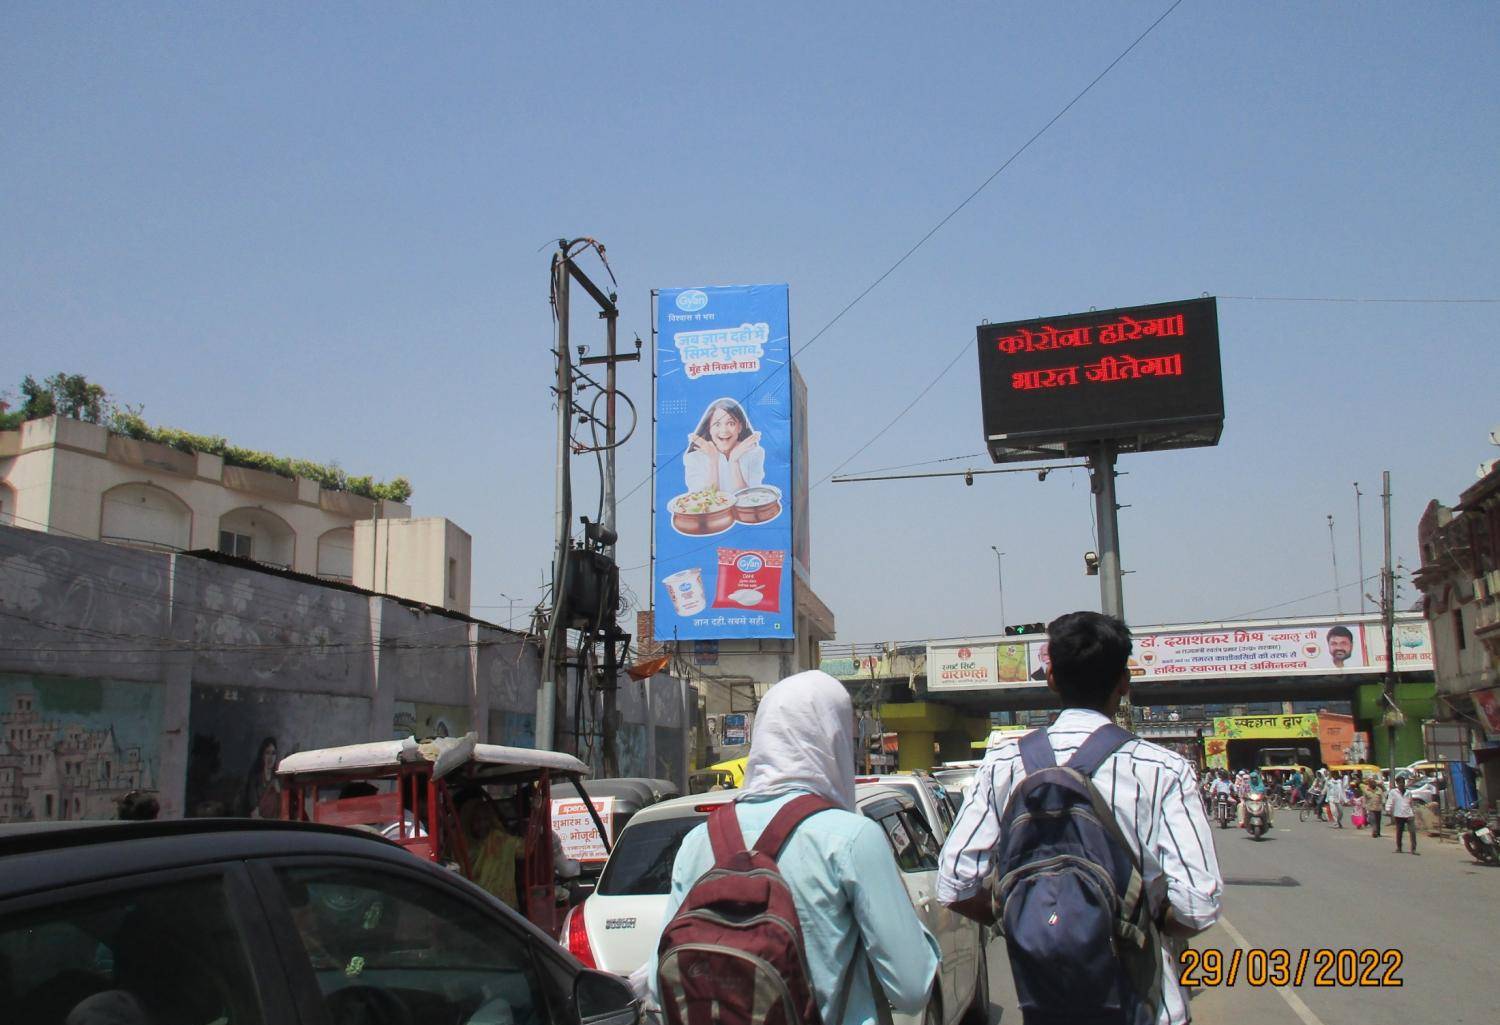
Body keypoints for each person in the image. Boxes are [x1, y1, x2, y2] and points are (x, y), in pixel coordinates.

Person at [938, 612, 1222, 1025]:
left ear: (1051, 678)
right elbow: (1199, 905)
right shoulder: (1162, 769)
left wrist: (1018, 920)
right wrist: (1143, 920)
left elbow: (954, 883)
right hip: (1146, 1007)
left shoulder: (1004, 764)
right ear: (1124, 682)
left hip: (1045, 1004)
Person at [644, 670, 939, 1024]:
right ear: (833, 740)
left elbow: (658, 985)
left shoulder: (698, 840)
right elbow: (912, 989)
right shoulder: (852, 839)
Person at [457, 790, 525, 908]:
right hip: (471, 903)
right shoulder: (457, 844)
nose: (483, 824)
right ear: (468, 821)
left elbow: (525, 850)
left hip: (502, 907)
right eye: (477, 820)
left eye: (485, 819)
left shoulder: (500, 839)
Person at [682, 398, 763, 493]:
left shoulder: (754, 453)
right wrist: (713, 460)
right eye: (717, 424)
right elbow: (706, 503)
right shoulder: (694, 458)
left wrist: (734, 461)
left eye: (731, 423)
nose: (724, 430)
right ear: (709, 429)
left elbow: (749, 499)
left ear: (740, 427)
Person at [242, 736, 281, 819]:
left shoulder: (280, 780)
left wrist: (278, 793)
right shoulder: (255, 780)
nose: (270, 757)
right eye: (267, 753)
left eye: (273, 753)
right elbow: (254, 813)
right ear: (262, 755)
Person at [1385, 776, 1418, 854]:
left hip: (1409, 814)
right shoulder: (1393, 792)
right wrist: (1388, 810)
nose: (1402, 785)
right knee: (1399, 832)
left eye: (1403, 783)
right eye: (1400, 783)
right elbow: (1390, 801)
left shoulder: (1408, 792)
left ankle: (1413, 849)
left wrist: (1413, 811)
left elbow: (1411, 803)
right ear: (1397, 784)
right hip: (1399, 814)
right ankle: (1399, 847)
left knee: (1412, 832)